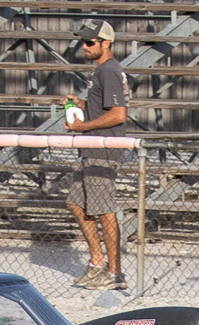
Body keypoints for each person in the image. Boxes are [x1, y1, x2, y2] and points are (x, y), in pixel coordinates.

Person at [63, 19, 130, 292]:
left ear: (106, 43)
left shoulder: (109, 71)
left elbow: (118, 114)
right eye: (83, 41)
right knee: (76, 203)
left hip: (103, 150)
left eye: (90, 42)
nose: (84, 46)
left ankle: (115, 273)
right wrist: (82, 104)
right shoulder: (101, 71)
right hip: (92, 148)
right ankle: (97, 263)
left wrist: (83, 126)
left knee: (104, 210)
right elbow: (104, 107)